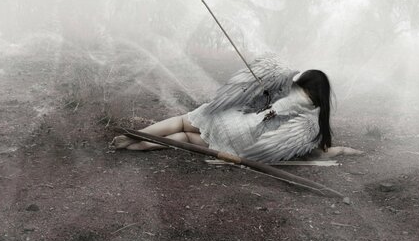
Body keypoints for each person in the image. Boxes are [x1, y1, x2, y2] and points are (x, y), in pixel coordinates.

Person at [113, 55, 362, 162]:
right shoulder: (313, 123)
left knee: (181, 122)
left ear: (303, 81)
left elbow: (252, 98)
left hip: (234, 121)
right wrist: (343, 150)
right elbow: (315, 152)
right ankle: (139, 146)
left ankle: (132, 138)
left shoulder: (285, 86)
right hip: (242, 144)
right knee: (186, 138)